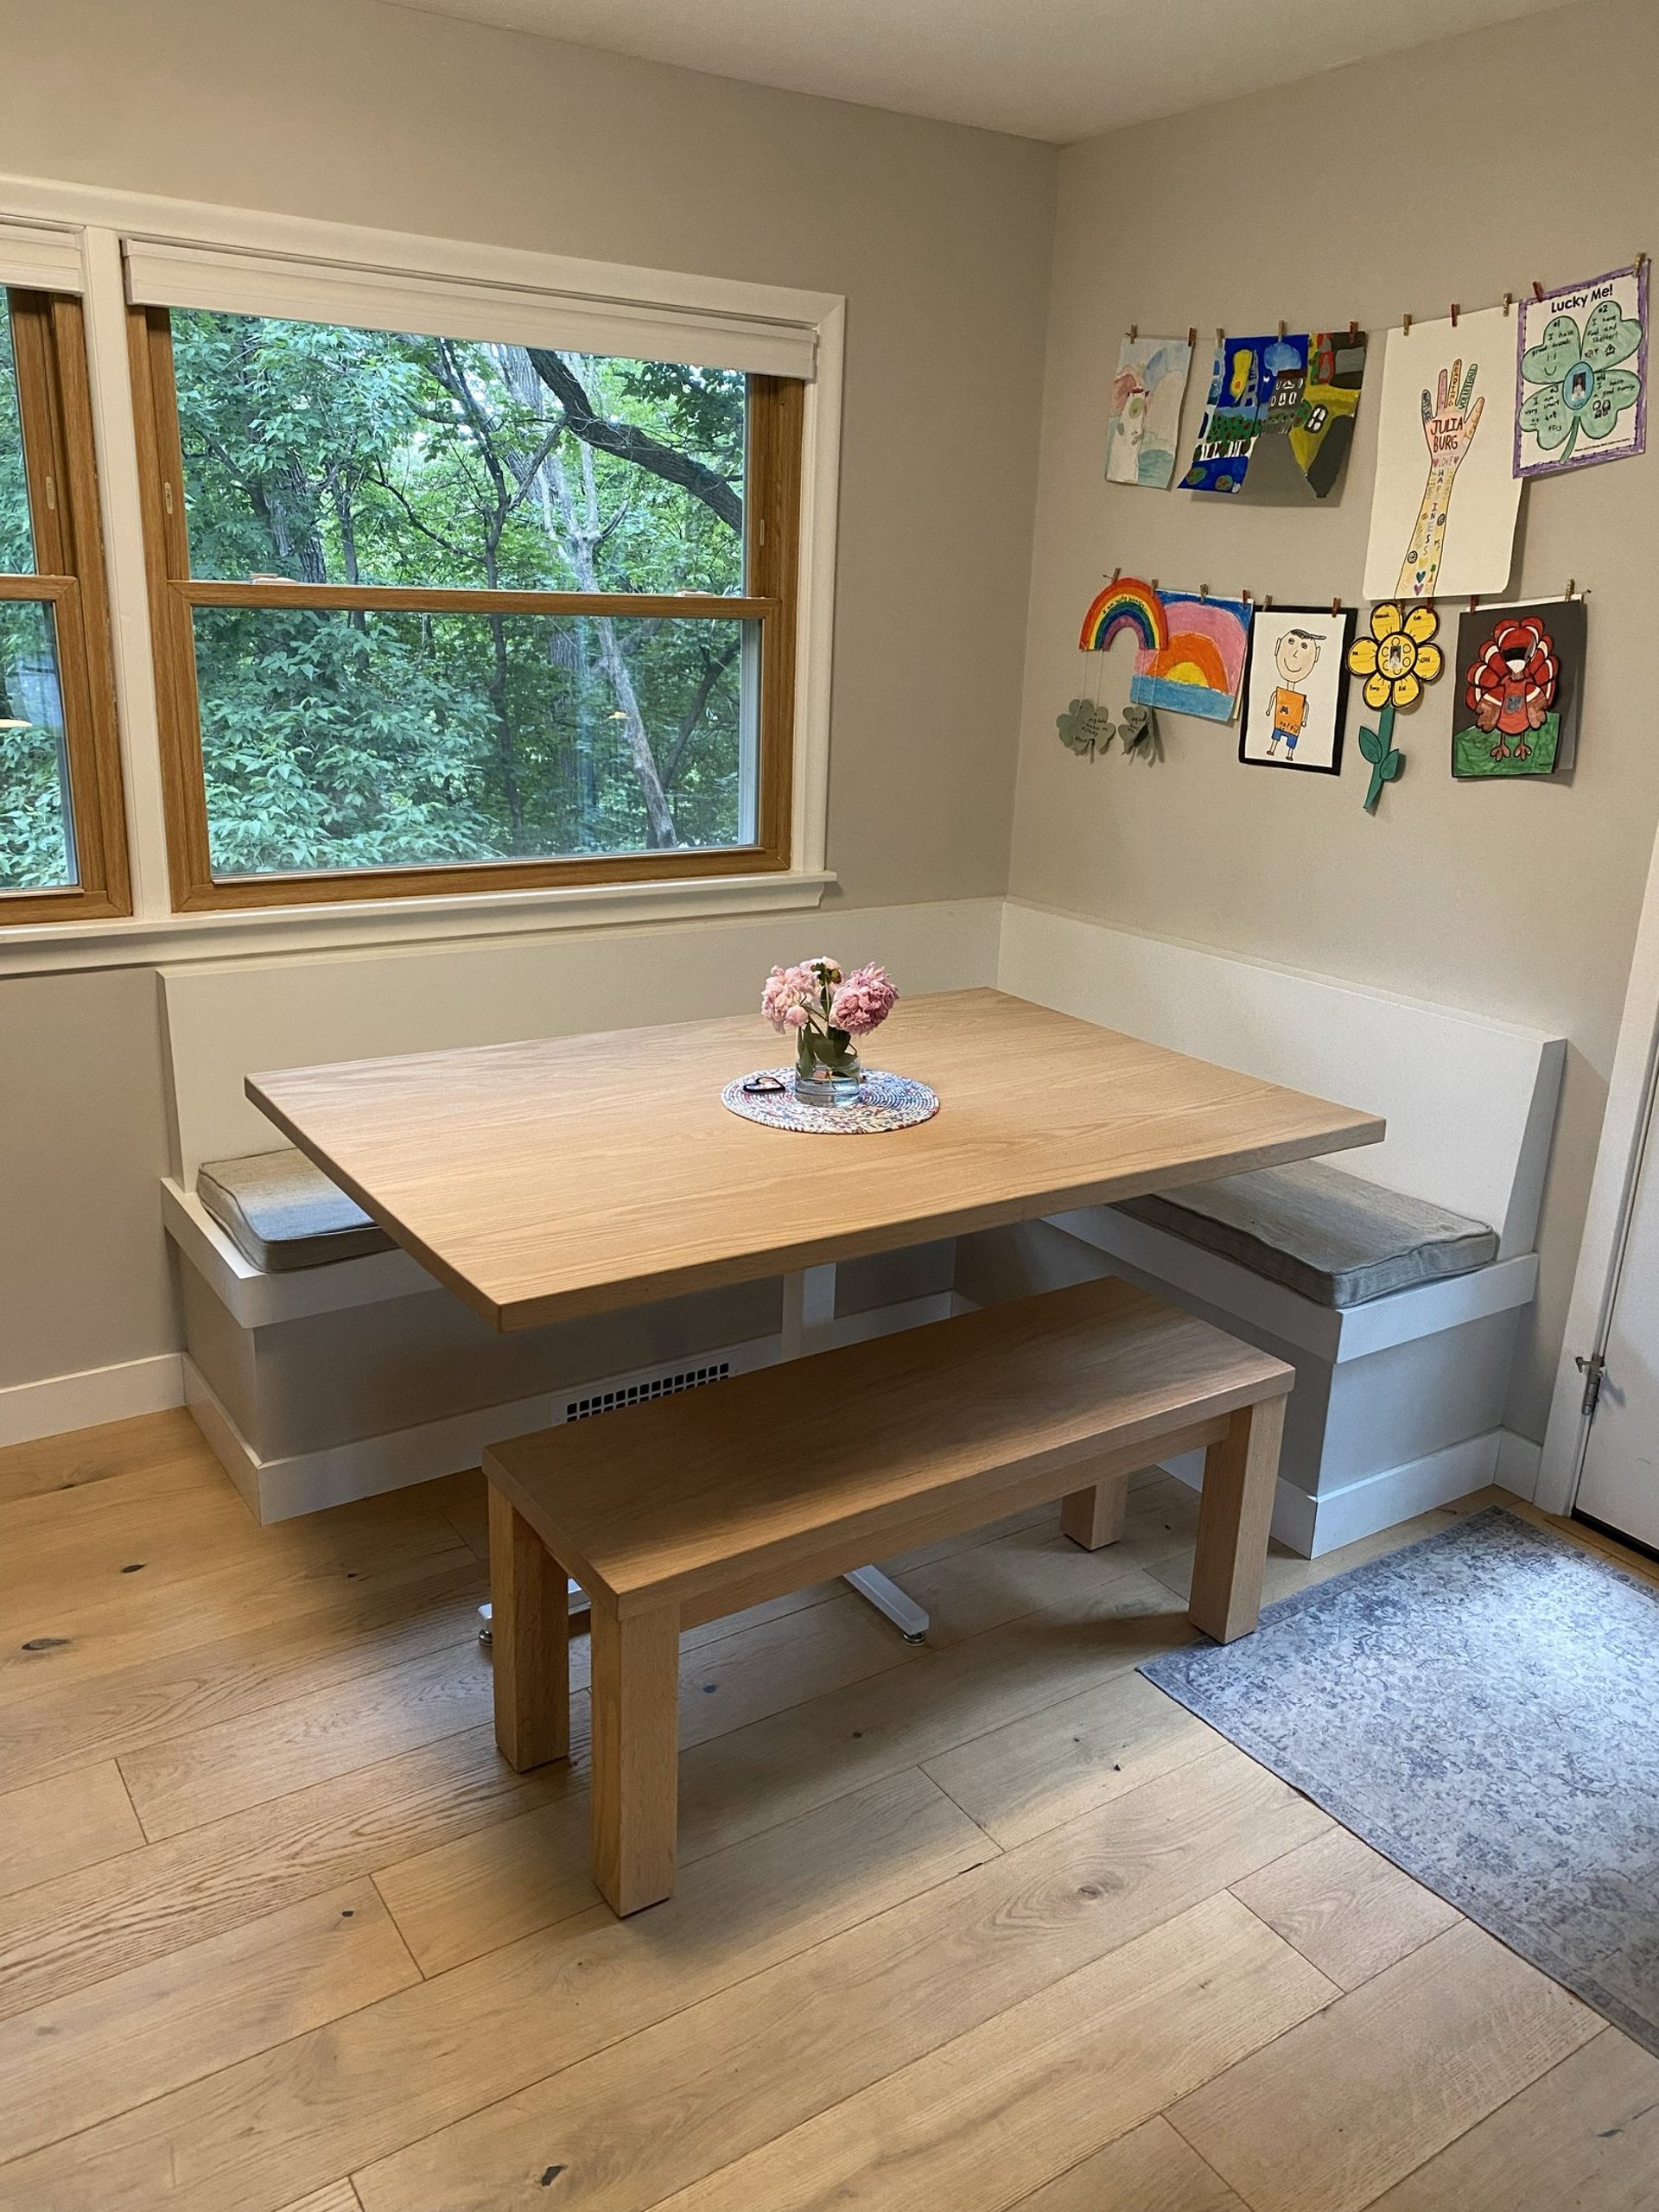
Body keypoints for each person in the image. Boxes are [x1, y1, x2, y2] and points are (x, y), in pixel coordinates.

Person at [1265, 626, 1322, 758]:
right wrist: (1269, 709)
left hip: (1293, 725)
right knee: (1277, 735)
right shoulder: (1280, 693)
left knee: (1291, 740)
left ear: (1316, 655)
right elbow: (1274, 697)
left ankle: (1290, 754)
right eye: (1290, 642)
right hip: (1281, 722)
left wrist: (1304, 720)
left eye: (1304, 646)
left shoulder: (1300, 699)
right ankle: (1272, 749)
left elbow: (1305, 706)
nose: (1295, 653)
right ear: (1278, 645)